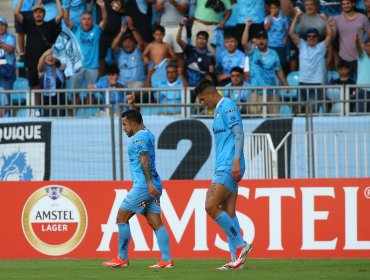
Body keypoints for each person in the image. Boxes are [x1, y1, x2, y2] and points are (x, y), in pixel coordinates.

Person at [103, 109, 174, 269]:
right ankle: (166, 260)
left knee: (122, 217)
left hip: (144, 186)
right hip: (155, 183)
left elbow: (144, 160)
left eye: (125, 124)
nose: (123, 128)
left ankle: (122, 258)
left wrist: (148, 184)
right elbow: (140, 121)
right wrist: (132, 105)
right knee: (155, 222)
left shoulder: (138, 138)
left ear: (133, 124)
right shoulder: (147, 134)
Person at [193, 78, 252, 270]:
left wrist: (236, 160)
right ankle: (237, 261)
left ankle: (242, 244)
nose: (203, 103)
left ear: (211, 94)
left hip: (230, 164)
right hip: (224, 164)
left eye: (203, 99)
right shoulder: (218, 110)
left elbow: (239, 133)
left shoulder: (227, 106)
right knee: (228, 212)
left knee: (210, 205)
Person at [14, 0, 63, 100]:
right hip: (32, 64)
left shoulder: (49, 25)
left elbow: (61, 15)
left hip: (46, 64)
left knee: (48, 91)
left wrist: (58, 1)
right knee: (36, 91)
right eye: (36, 12)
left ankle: (47, 113)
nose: (38, 14)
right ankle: (38, 114)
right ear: (33, 14)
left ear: (44, 14)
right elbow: (16, 13)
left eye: (40, 12)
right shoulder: (29, 24)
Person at [63, 0, 108, 105]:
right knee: (75, 93)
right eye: (84, 19)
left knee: (90, 93)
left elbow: (105, 20)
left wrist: (102, 7)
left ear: (92, 21)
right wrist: (67, 5)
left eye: (89, 19)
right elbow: (66, 19)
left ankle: (89, 114)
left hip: (92, 67)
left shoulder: (96, 30)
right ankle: (75, 116)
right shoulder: (75, 29)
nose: (86, 21)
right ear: (80, 21)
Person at [289, 11, 333, 113]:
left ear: (318, 38)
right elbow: (291, 33)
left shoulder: (321, 47)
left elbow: (330, 35)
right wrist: (296, 17)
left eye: (314, 36)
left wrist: (325, 20)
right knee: (299, 111)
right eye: (309, 36)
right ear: (306, 37)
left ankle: (312, 130)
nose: (311, 38)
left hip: (316, 84)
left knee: (313, 111)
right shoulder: (302, 45)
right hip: (302, 82)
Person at [242, 22, 288, 115]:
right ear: (256, 40)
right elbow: (243, 42)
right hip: (256, 91)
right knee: (255, 119)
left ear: (267, 40)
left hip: (272, 91)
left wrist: (285, 84)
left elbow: (278, 70)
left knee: (273, 120)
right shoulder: (252, 52)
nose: (261, 41)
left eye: (264, 38)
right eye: (259, 39)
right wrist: (247, 26)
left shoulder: (274, 53)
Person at [333, 0, 370, 79]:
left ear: (353, 4)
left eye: (348, 3)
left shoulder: (363, 18)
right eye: (343, 4)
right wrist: (328, 26)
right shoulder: (337, 19)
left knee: (360, 84)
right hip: (344, 56)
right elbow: (332, 37)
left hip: (361, 57)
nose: (346, 6)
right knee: (345, 85)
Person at [176, 18, 215, 87]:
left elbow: (211, 73)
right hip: (188, 85)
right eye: (199, 38)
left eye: (204, 39)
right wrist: (181, 25)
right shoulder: (189, 49)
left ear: (207, 41)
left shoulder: (210, 55)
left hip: (202, 87)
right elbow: (178, 40)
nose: (201, 41)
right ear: (196, 39)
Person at [111, 18, 146, 89]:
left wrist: (132, 28)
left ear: (134, 43)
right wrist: (121, 32)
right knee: (115, 89)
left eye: (130, 41)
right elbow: (113, 46)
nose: (128, 44)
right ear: (122, 44)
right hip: (123, 83)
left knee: (132, 94)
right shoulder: (120, 52)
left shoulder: (138, 51)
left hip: (138, 82)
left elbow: (141, 43)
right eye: (125, 41)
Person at [155, 0, 189, 71]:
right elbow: (156, 10)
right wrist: (161, 3)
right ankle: (164, 76)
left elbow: (183, 10)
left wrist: (173, 2)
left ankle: (180, 77)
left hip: (179, 26)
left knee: (179, 54)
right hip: (164, 27)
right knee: (164, 54)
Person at [37, 48, 66, 117]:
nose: (50, 57)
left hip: (59, 105)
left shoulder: (61, 70)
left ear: (56, 59)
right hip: (45, 105)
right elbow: (40, 65)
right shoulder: (41, 70)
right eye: (48, 56)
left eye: (52, 55)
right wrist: (44, 55)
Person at [264, 0, 290, 75]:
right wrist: (271, 16)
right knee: (271, 62)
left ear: (279, 8)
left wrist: (286, 38)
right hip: (271, 45)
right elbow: (266, 28)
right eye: (271, 8)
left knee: (282, 62)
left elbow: (287, 30)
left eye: (275, 8)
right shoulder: (267, 18)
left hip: (281, 45)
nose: (273, 10)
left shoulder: (284, 19)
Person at [354, 35, 370, 112]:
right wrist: (357, 41)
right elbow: (358, 48)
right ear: (364, 46)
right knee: (360, 116)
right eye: (367, 46)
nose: (369, 48)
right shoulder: (362, 55)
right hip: (362, 90)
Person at [0, 17, 16, 91]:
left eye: (2, 25)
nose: (0, 27)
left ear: (6, 27)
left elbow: (10, 49)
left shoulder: (11, 37)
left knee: (6, 94)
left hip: (6, 70)